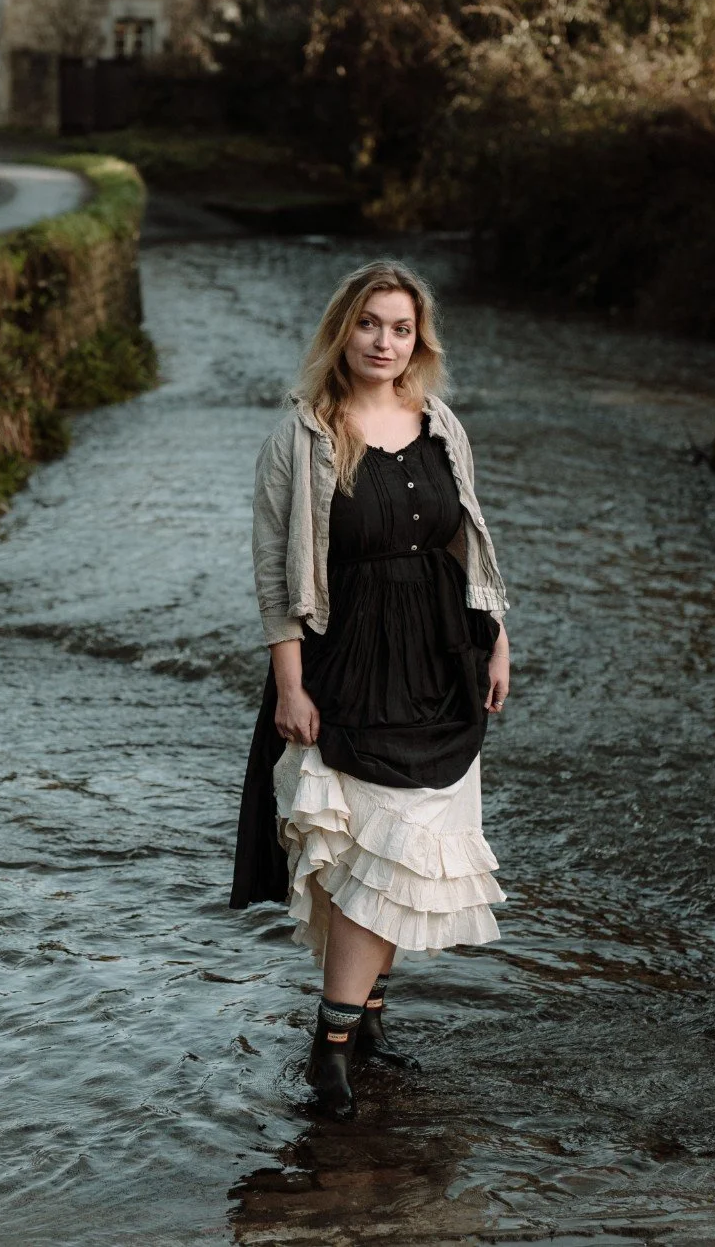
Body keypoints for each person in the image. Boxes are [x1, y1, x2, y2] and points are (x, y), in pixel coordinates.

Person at [232, 259, 512, 1120]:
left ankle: (368, 1020)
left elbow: (469, 544)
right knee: (366, 855)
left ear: (417, 339)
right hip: (345, 658)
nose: (384, 341)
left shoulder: (440, 423)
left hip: (439, 658)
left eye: (400, 328)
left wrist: (497, 635)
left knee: (406, 848)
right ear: (341, 331)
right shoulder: (304, 434)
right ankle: (332, 1043)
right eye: (369, 324)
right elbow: (276, 575)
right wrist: (290, 684)